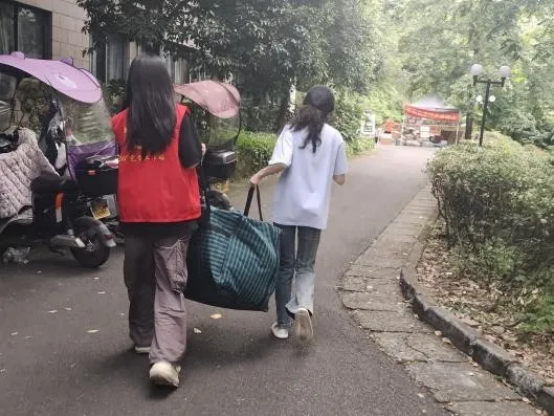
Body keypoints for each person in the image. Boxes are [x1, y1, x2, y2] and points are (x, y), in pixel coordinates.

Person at [111, 54, 203, 387]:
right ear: (165, 83)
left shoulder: (120, 122)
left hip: (135, 217)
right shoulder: (180, 117)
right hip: (173, 217)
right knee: (169, 285)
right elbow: (191, 161)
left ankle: (142, 337)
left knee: (139, 279)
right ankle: (165, 359)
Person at [250, 86, 348, 343]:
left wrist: (259, 174)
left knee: (285, 266)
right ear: (329, 111)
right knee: (305, 265)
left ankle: (283, 325)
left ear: (304, 106)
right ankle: (303, 305)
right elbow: (340, 178)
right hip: (314, 214)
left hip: (286, 210)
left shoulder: (291, 130)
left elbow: (282, 162)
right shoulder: (335, 137)